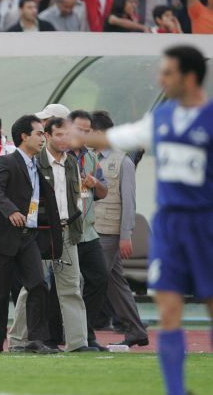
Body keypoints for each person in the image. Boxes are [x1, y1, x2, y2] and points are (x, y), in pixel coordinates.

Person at [88, 45, 213, 395]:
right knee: (168, 308)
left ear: (189, 77)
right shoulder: (160, 118)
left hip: (205, 225)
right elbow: (120, 136)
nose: (161, 79)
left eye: (168, 72)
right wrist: (79, 138)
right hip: (169, 226)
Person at [0, 115, 59, 354]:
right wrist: (10, 210)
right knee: (0, 294)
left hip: (28, 236)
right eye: (39, 134)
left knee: (38, 284)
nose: (43, 138)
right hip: (2, 237)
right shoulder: (7, 162)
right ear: (24, 136)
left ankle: (36, 339)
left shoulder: (38, 165)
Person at [8, 117, 94, 353]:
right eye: (59, 134)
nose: (65, 139)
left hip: (67, 232)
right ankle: (17, 340)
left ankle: (78, 343)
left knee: (71, 288)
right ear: (47, 136)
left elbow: (76, 198)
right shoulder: (35, 162)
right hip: (41, 234)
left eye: (68, 134)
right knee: (31, 287)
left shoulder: (72, 162)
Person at [90, 110, 149, 349]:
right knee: (115, 284)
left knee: (92, 279)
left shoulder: (123, 161)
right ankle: (136, 330)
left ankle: (82, 333)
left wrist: (126, 236)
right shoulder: (90, 159)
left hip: (110, 233)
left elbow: (129, 201)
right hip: (94, 230)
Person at [68, 109, 110, 351]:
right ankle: (60, 335)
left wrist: (95, 183)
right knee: (65, 286)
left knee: (99, 278)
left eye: (87, 131)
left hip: (88, 232)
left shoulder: (91, 158)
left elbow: (104, 191)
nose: (83, 135)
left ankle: (86, 333)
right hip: (66, 233)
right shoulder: (59, 155)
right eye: (79, 130)